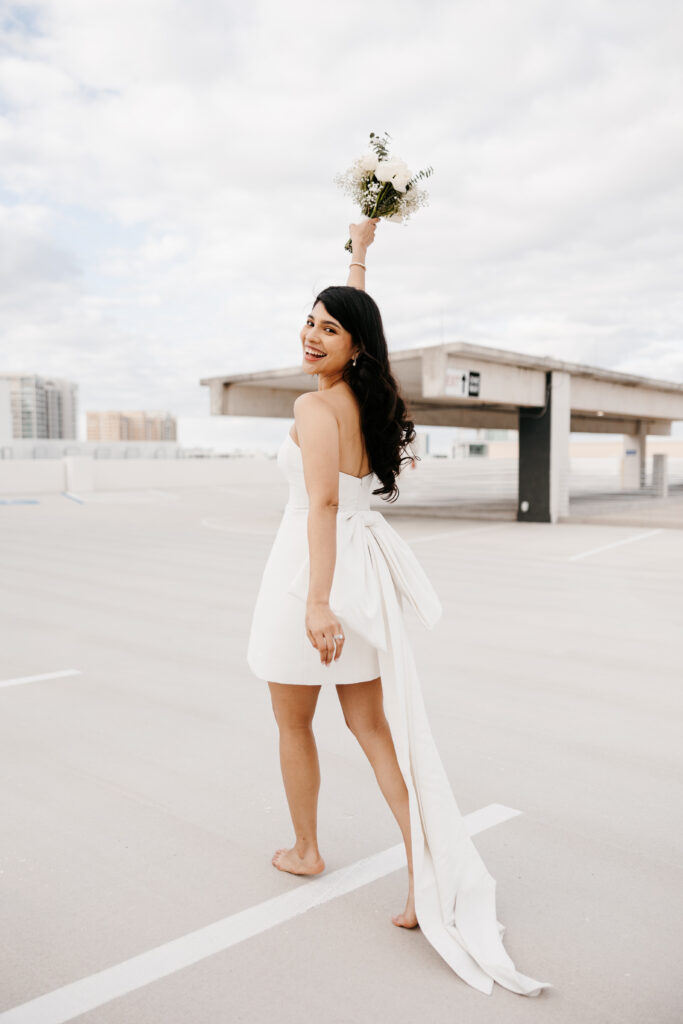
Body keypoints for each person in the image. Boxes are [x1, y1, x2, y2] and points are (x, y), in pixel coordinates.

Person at [246, 220, 551, 997]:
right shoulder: (361, 395)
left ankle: (306, 847)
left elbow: (318, 506)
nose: (313, 335)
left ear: (354, 346)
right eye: (310, 319)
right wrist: (358, 256)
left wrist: (316, 605)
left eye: (329, 328)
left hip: (310, 577)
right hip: (361, 575)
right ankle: (422, 879)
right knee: (375, 730)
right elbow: (360, 320)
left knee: (292, 722)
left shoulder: (315, 411)